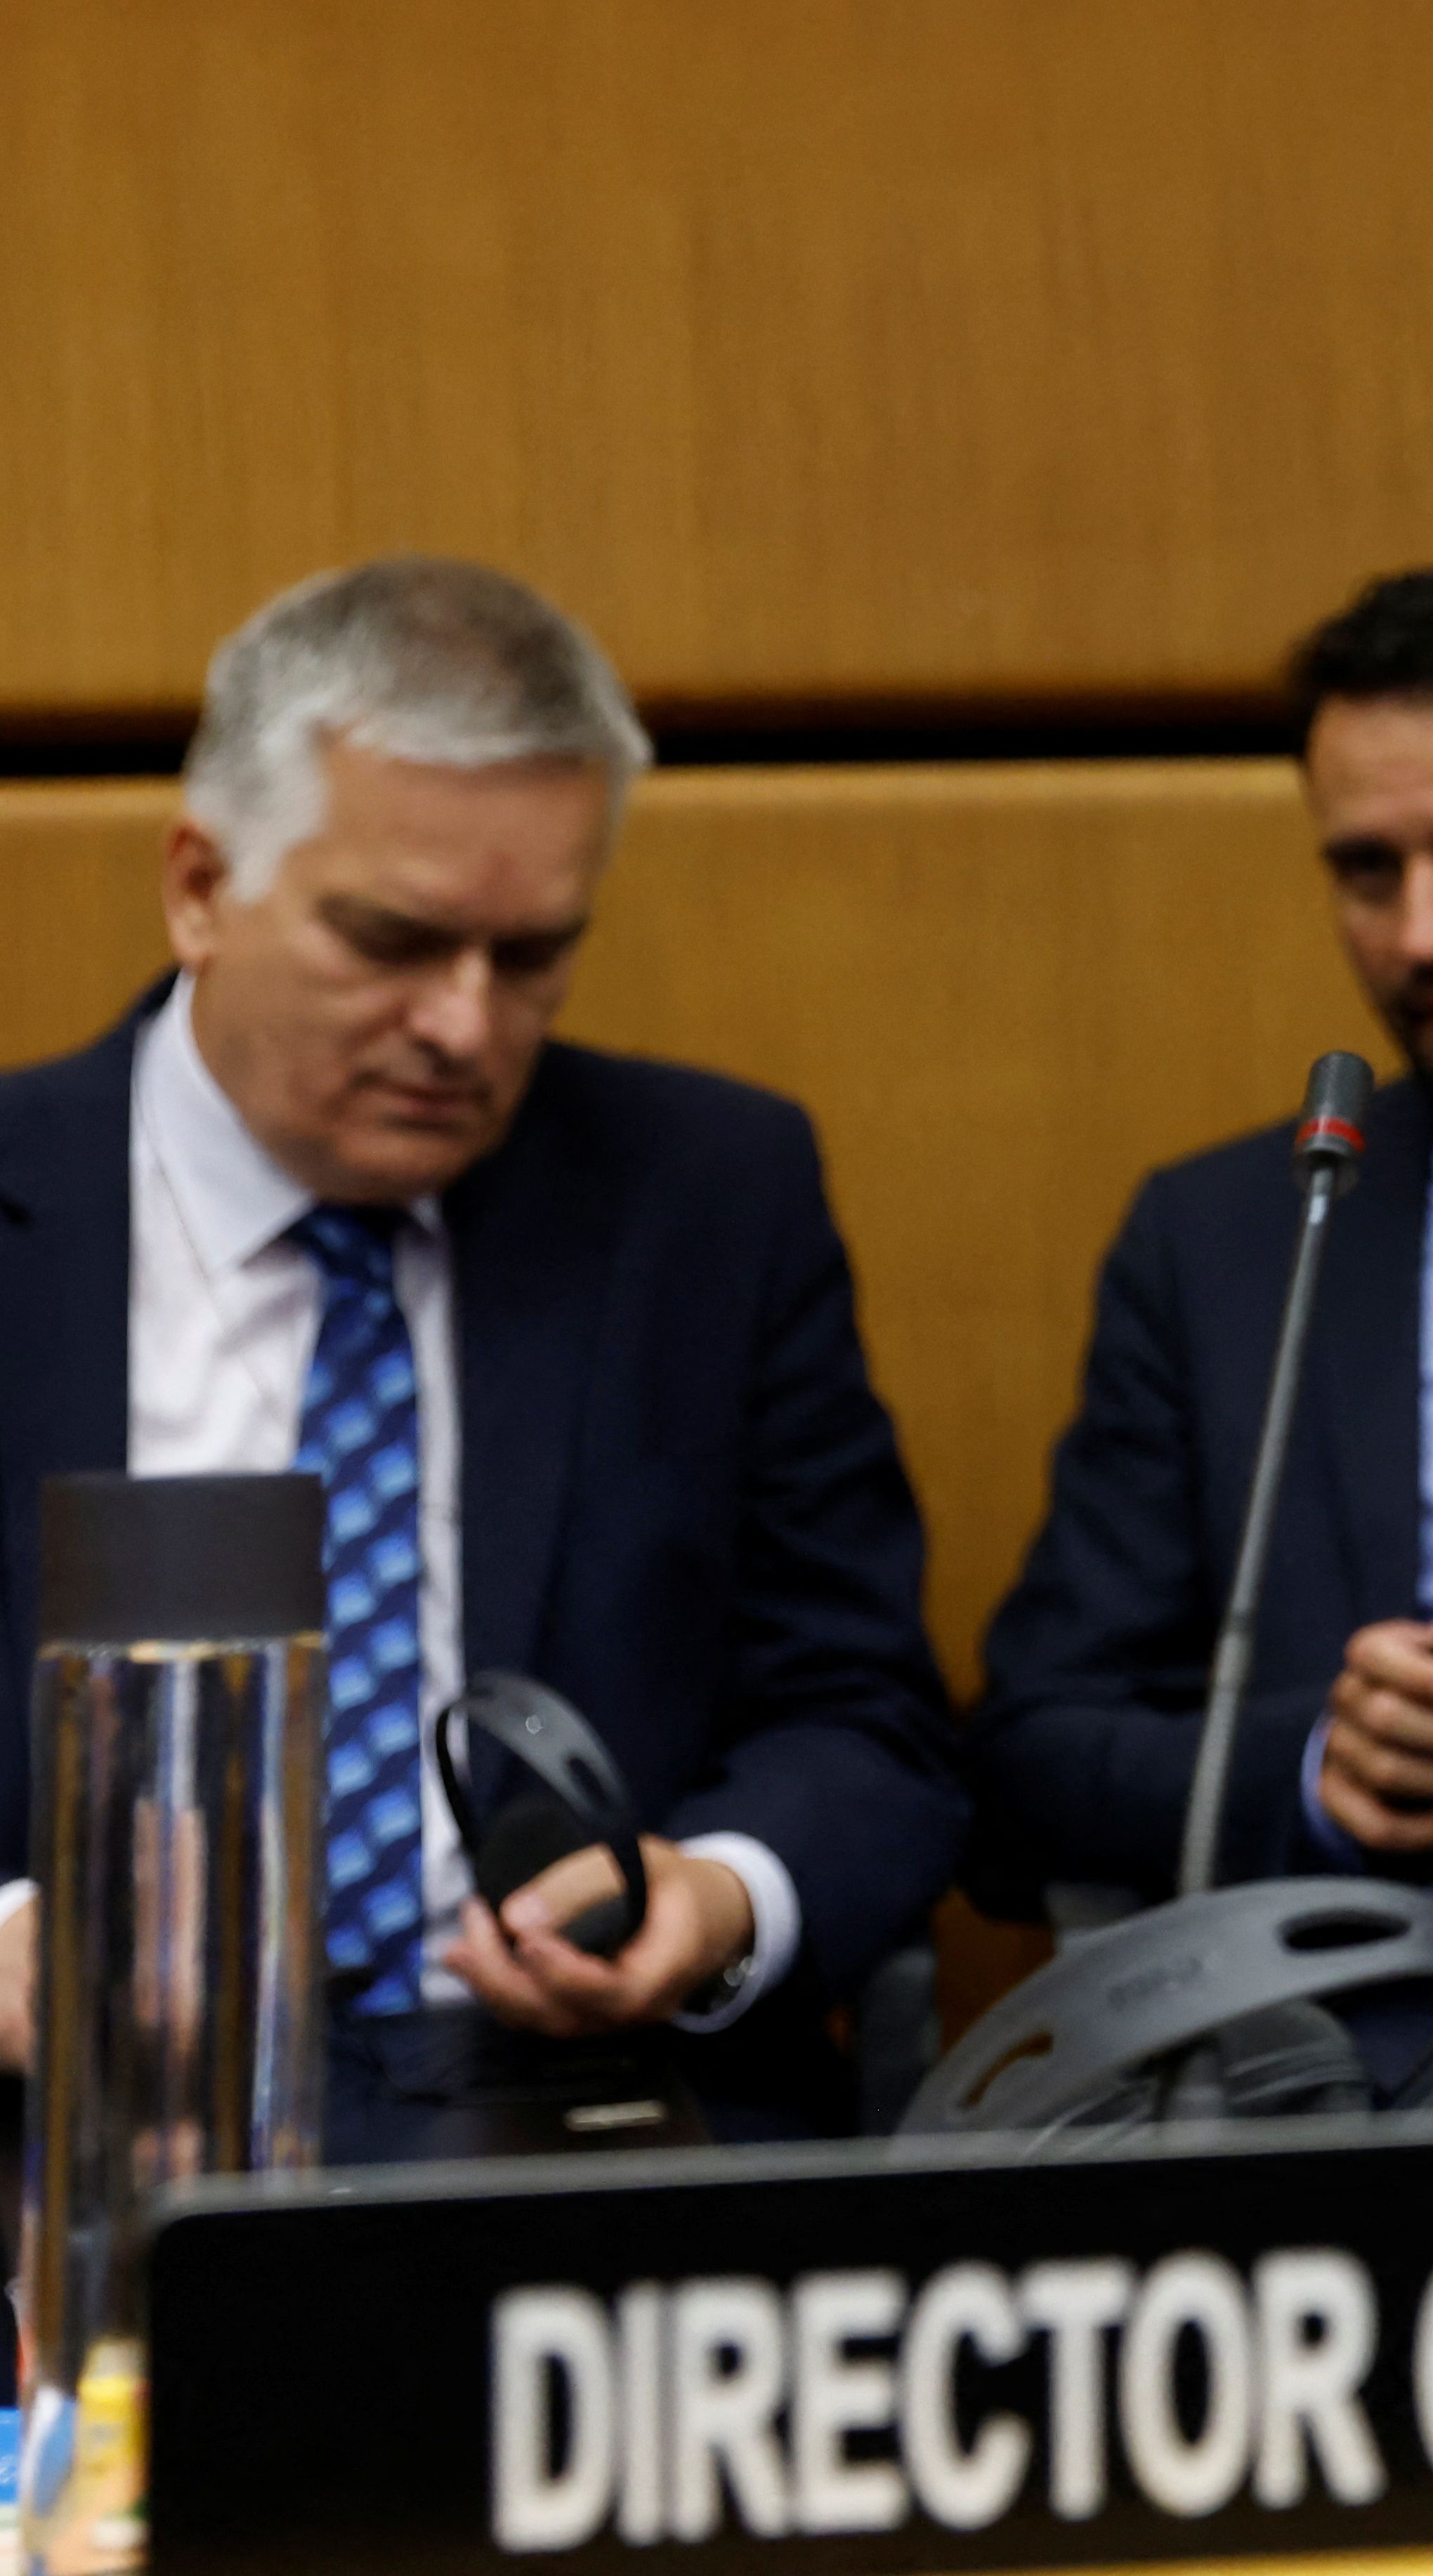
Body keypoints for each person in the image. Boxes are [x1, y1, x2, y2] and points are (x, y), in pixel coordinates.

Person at [0, 559, 962, 2154]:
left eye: (529, 959)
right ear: (198, 886)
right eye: (393, 941)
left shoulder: (705, 1196)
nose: (462, 1027)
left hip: (581, 2125)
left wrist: (711, 1898)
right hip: (67, 2137)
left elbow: (866, 1720)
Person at [970, 554, 1433, 1903]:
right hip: (1366, 2035)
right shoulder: (1231, 1243)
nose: (1424, 932)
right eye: (1369, 870)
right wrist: (1313, 1766)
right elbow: (1033, 1760)